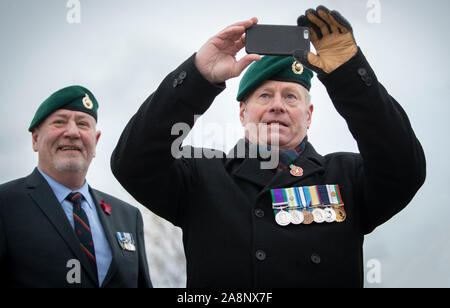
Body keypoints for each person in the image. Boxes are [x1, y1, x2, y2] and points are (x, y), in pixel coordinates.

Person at [111, 6, 426, 288]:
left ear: (309, 114)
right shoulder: (201, 178)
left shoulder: (347, 177)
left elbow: (403, 168)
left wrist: (350, 77)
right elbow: (133, 162)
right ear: (242, 112)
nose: (278, 106)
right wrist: (198, 75)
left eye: (290, 97)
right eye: (264, 96)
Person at [0, 85, 152, 288]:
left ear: (96, 141)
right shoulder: (6, 204)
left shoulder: (127, 216)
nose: (72, 132)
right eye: (59, 122)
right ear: (36, 139)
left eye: (82, 124)